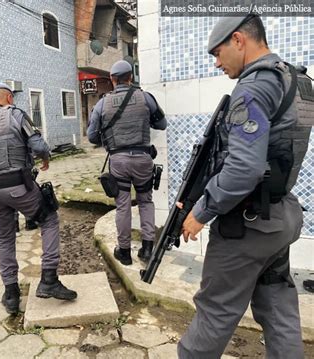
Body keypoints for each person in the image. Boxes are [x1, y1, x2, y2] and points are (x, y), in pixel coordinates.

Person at [177, 15, 312, 358]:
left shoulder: (253, 87)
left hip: (247, 225)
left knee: (216, 309)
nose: (217, 62)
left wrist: (201, 212)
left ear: (239, 40)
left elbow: (244, 168)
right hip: (281, 216)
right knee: (277, 302)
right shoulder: (297, 80)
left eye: (218, 53)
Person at [0, 82, 77, 315]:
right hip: (18, 186)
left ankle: (11, 294)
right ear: (8, 97)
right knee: (49, 218)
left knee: (4, 237)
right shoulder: (15, 114)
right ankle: (49, 279)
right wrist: (45, 158)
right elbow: (38, 145)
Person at [87, 60, 167, 265]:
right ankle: (148, 248)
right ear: (130, 77)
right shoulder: (146, 97)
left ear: (112, 79)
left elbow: (92, 137)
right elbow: (162, 124)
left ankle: (124, 251)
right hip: (143, 159)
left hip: (119, 162)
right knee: (146, 201)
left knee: (122, 206)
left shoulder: (102, 103)